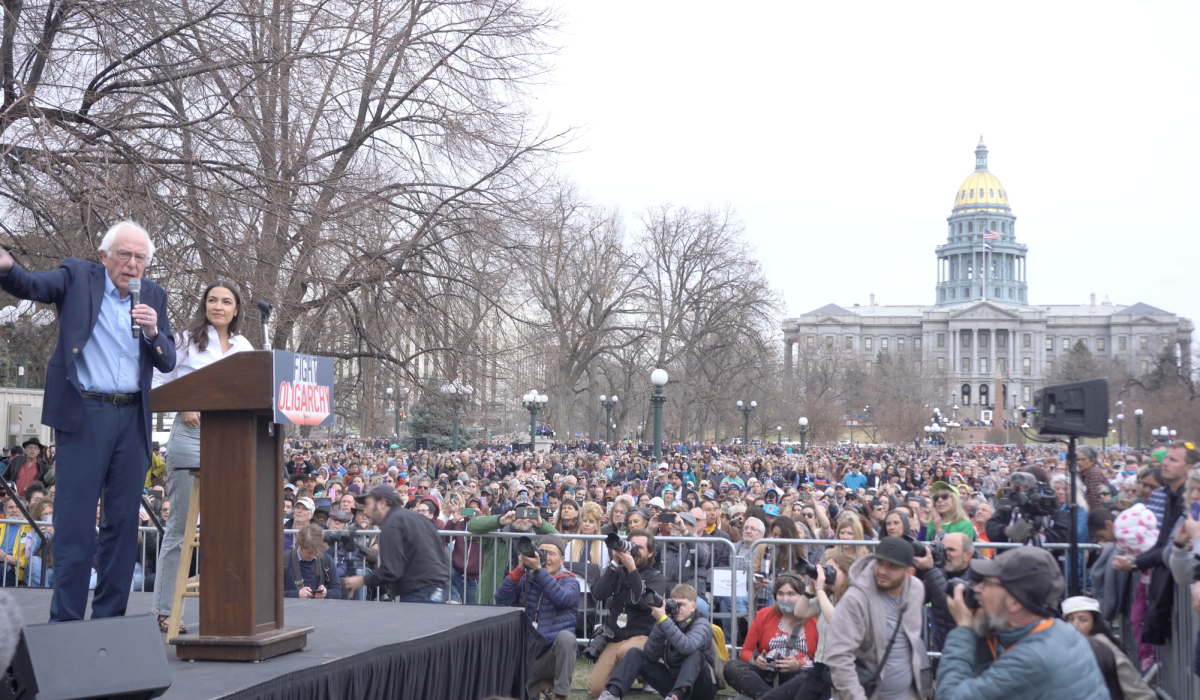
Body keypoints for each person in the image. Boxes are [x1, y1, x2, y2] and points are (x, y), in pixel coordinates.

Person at [0, 222, 176, 622]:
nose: (132, 265)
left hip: (132, 418)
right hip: (85, 415)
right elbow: (32, 286)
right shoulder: (78, 276)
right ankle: (66, 622)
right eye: (124, 255)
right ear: (104, 256)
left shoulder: (154, 296)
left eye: (140, 258)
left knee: (121, 523)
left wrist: (151, 332)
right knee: (76, 524)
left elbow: (166, 359)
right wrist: (8, 267)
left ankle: (110, 621)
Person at [148, 281, 252, 631]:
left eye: (226, 301)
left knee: (226, 529)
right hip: (191, 437)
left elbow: (254, 388)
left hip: (232, 439)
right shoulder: (185, 340)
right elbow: (157, 382)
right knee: (180, 528)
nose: (218, 306)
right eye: (212, 300)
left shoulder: (244, 346)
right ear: (204, 305)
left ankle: (224, 608)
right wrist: (185, 403)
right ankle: (165, 611)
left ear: (236, 309)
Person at [937, 546, 1109, 700]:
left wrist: (963, 630)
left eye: (987, 583)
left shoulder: (1031, 659)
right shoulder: (1062, 631)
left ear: (1014, 602)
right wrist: (982, 628)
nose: (976, 589)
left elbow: (950, 696)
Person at [825, 536, 931, 700]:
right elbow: (838, 656)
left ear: (909, 573)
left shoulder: (916, 589)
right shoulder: (855, 599)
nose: (882, 570)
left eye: (892, 566)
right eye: (880, 562)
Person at [495, 534, 579, 700]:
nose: (545, 558)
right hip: (528, 655)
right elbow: (502, 600)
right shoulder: (527, 578)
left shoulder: (570, 582)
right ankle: (545, 686)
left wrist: (539, 571)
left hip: (552, 655)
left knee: (566, 638)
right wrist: (519, 569)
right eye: (542, 553)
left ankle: (560, 694)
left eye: (551, 554)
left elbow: (560, 598)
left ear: (562, 559)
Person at [597, 583, 716, 700]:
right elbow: (650, 655)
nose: (678, 609)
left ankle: (676, 696)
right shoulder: (668, 621)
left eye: (682, 605)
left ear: (693, 607)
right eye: (675, 604)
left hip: (701, 686)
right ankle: (612, 694)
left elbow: (687, 647)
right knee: (635, 653)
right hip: (674, 682)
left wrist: (664, 620)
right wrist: (660, 624)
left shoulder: (702, 624)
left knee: (695, 654)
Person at [586, 529, 667, 698]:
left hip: (643, 637)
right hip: (616, 637)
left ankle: (644, 673)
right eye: (632, 546)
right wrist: (614, 563)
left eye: (640, 548)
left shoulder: (656, 577)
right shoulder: (618, 570)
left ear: (651, 552)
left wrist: (632, 571)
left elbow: (645, 604)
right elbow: (599, 594)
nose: (634, 551)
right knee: (595, 690)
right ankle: (626, 674)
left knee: (626, 651)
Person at [343, 484, 446, 602]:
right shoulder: (414, 518)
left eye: (368, 504)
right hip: (435, 589)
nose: (366, 511)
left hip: (418, 593)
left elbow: (391, 570)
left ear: (382, 503)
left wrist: (362, 580)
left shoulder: (392, 524)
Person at [724, 572, 818, 700]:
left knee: (811, 676)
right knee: (732, 667)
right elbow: (745, 651)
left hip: (799, 675)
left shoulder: (814, 618)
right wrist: (755, 660)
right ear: (775, 595)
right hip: (769, 674)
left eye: (791, 594)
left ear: (802, 596)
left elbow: (822, 662)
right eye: (780, 594)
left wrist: (799, 665)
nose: (785, 599)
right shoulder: (764, 614)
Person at [1061, 596, 1156, 700]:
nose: (1075, 625)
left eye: (1083, 620)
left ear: (1094, 623)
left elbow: (1143, 695)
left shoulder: (1103, 647)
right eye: (1070, 619)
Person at [468, 499, 557, 605]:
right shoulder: (498, 536)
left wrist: (540, 524)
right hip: (498, 593)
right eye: (519, 513)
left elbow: (558, 539)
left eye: (528, 514)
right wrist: (500, 520)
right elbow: (471, 525)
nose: (523, 517)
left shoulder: (538, 540)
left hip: (527, 594)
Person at [283, 523, 341, 600]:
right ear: (299, 544)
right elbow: (271, 593)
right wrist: (297, 594)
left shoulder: (326, 560)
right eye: (309, 552)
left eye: (316, 552)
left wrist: (325, 594)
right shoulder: (283, 560)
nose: (313, 556)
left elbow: (337, 592)